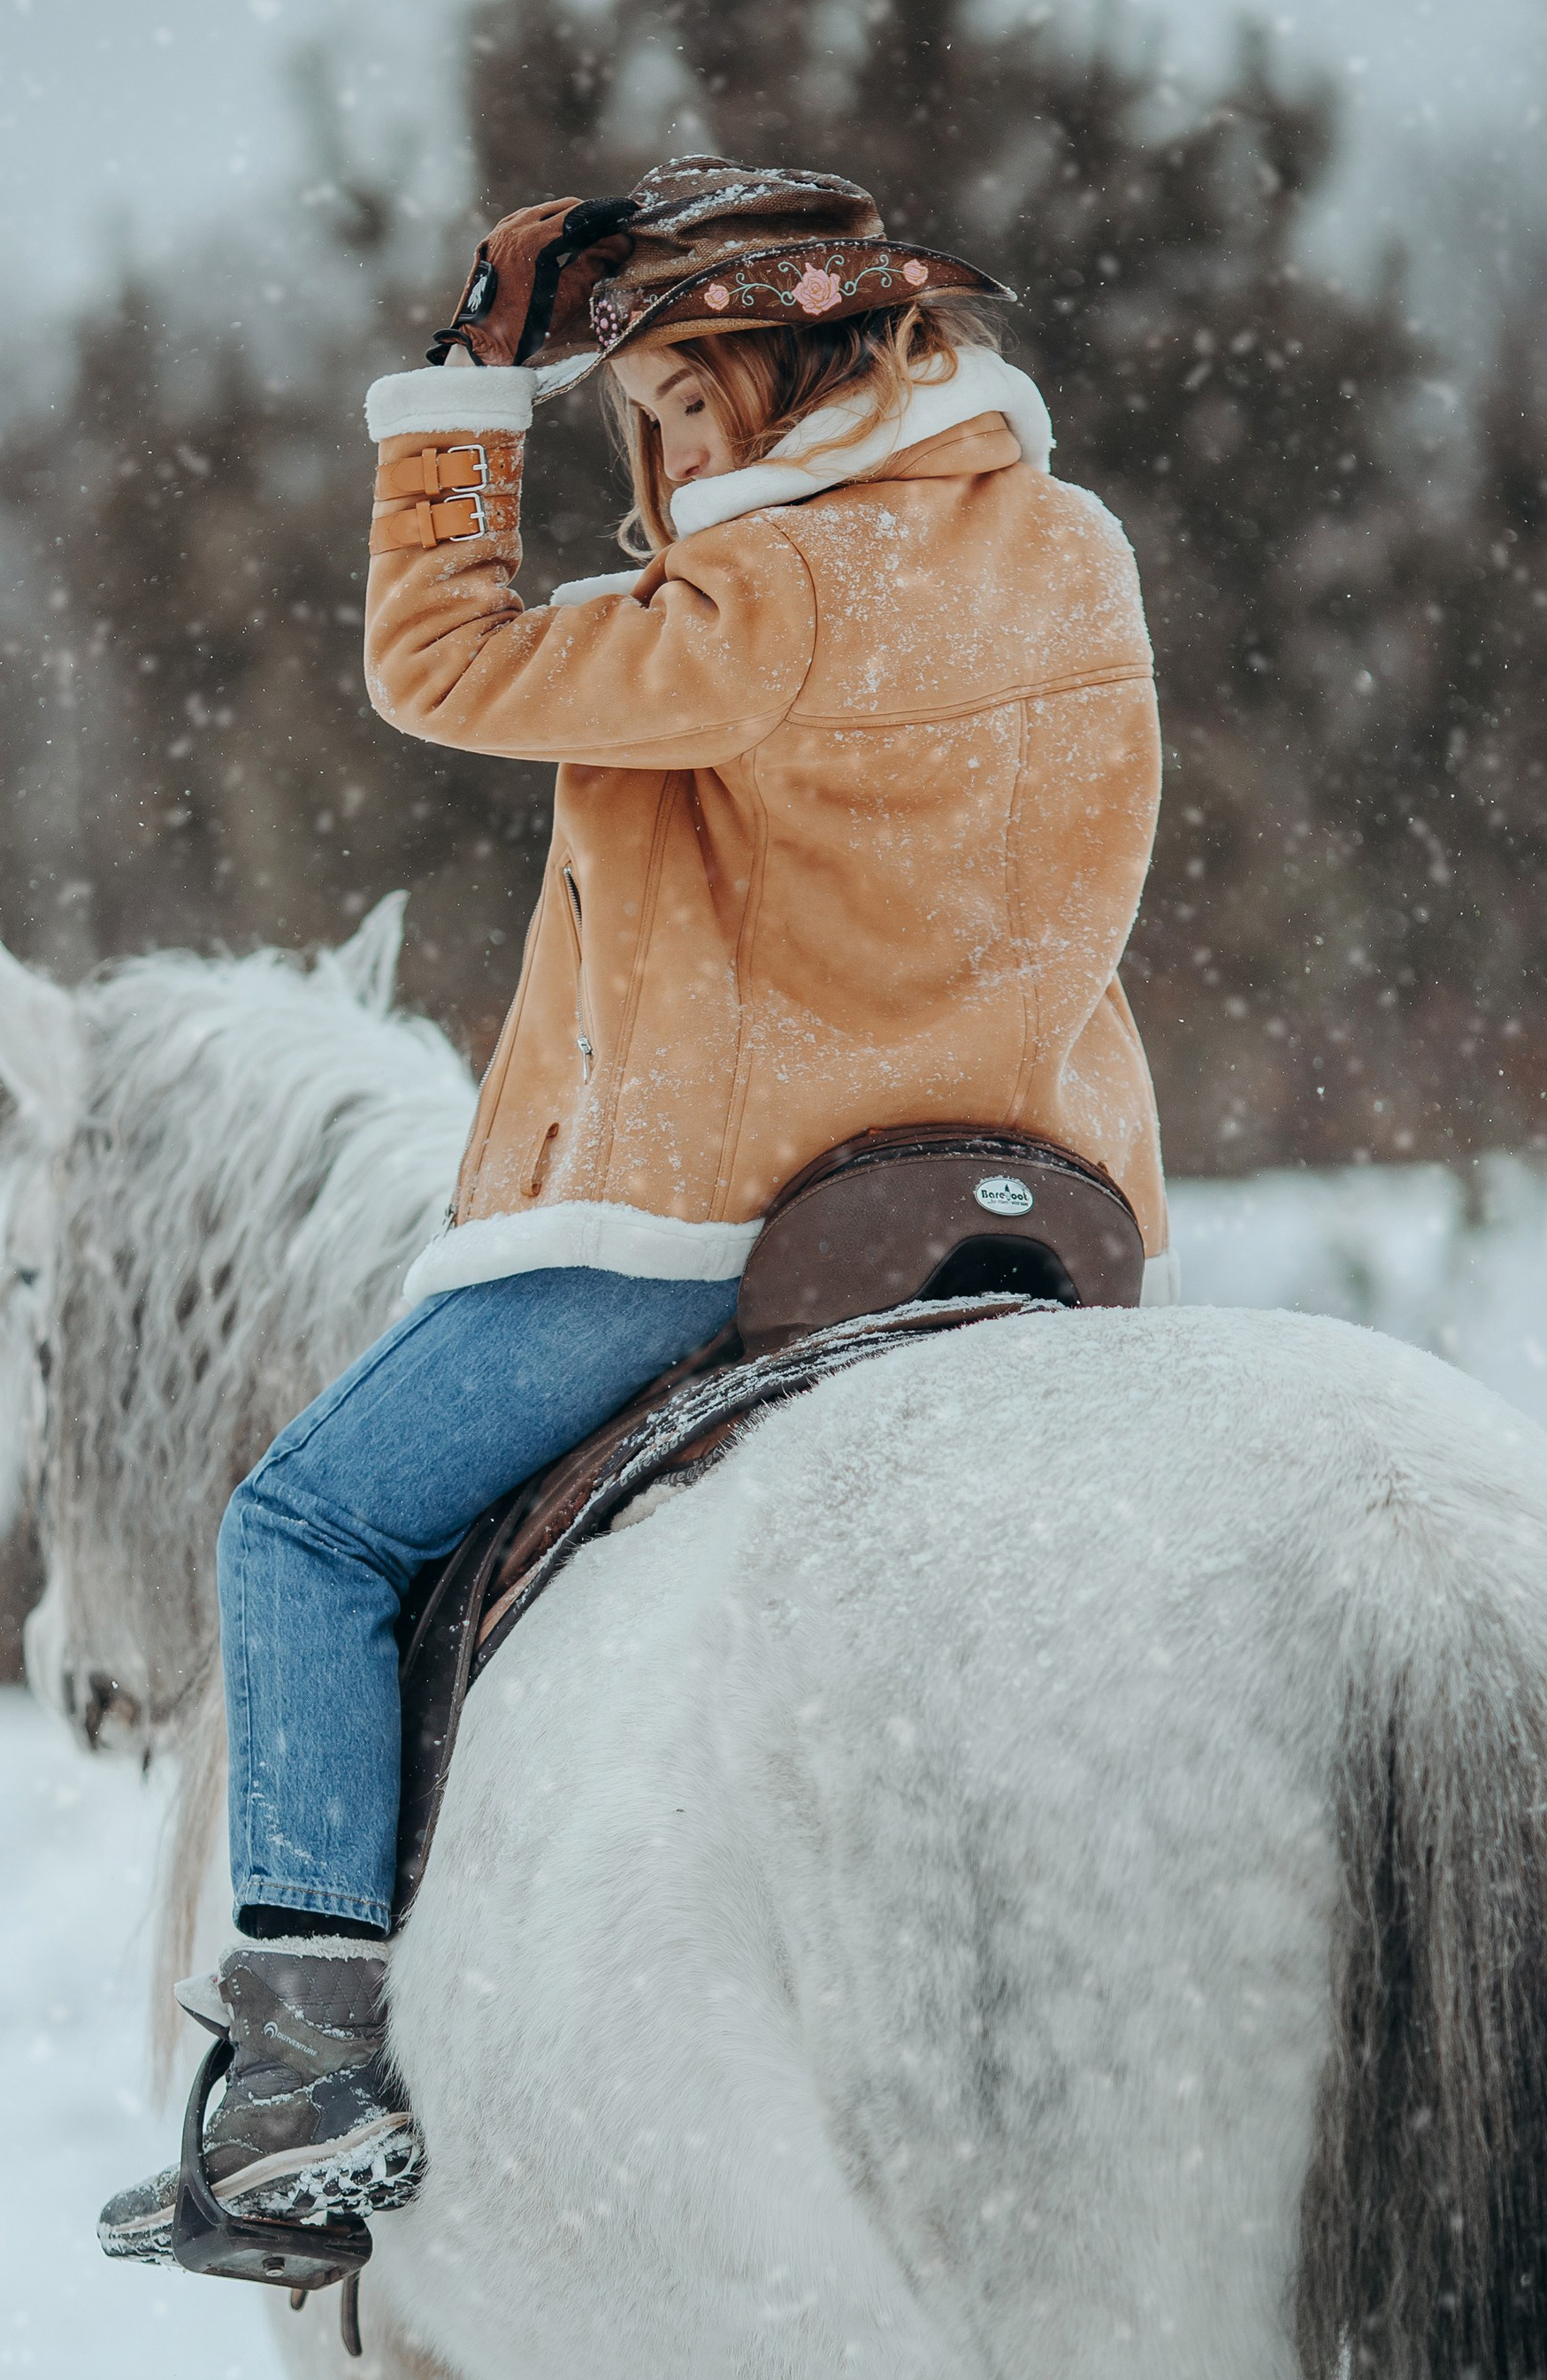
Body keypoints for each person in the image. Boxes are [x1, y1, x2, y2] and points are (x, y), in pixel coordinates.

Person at [98, 156, 1175, 2263]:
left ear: (774, 375)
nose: (660, 465)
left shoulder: (755, 611)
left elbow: (438, 662)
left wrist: (462, 398)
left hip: (720, 1216)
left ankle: (310, 2053)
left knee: (302, 1528)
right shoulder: (1077, 553)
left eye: (674, 410)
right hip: (1029, 1204)